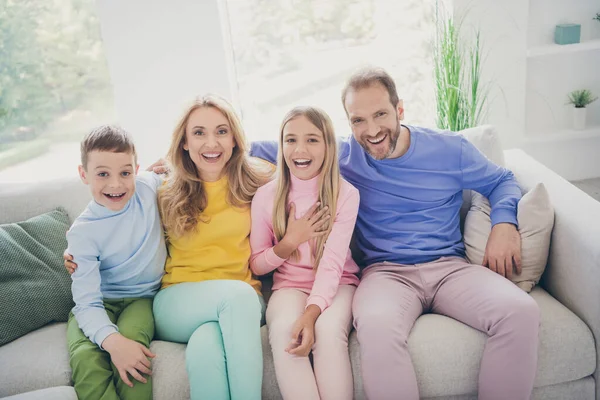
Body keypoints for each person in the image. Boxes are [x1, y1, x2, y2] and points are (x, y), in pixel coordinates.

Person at [251, 67, 540, 400]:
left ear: (400, 110)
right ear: (348, 124)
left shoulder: (449, 149)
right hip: (385, 274)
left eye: (380, 115)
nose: (372, 131)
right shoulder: (341, 156)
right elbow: (280, 147)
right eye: (358, 120)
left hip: (450, 268)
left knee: (521, 311)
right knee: (374, 324)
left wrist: (504, 224)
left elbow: (502, 180)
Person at [66, 95, 273, 400]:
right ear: (185, 142)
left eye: (221, 131)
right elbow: (116, 208)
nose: (211, 143)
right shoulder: (162, 188)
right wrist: (74, 247)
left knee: (205, 349)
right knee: (237, 297)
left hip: (242, 300)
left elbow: (302, 162)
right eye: (199, 133)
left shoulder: (260, 180)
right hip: (177, 301)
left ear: (235, 139)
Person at [250, 106, 359, 400]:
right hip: (289, 286)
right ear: (281, 145)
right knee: (286, 331)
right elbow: (258, 265)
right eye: (290, 140)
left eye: (312, 139)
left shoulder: (345, 194)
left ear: (328, 145)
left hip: (339, 284)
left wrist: (311, 315)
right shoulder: (266, 197)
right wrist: (289, 241)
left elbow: (333, 265)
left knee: (327, 331)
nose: (300, 149)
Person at [66, 125, 166, 400]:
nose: (115, 184)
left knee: (134, 349)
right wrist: (111, 341)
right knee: (87, 357)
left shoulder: (147, 186)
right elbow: (86, 303)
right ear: (83, 174)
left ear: (137, 169)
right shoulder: (82, 232)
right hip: (98, 302)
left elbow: (187, 162)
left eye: (125, 172)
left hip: (140, 299)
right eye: (102, 174)